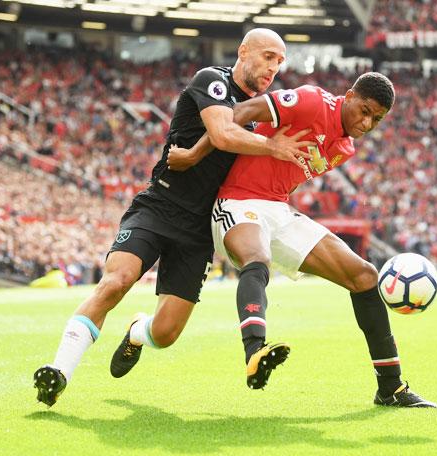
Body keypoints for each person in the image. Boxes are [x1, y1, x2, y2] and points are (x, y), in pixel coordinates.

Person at [33, 28, 311, 407]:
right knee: (117, 281)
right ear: (243, 51)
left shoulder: (261, 114)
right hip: (159, 206)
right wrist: (272, 147)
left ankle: (135, 332)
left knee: (164, 334)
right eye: (267, 56)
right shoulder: (212, 80)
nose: (273, 67)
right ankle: (59, 371)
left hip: (200, 230)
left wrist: (202, 154)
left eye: (280, 62)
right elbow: (223, 131)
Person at [164, 73, 437, 407]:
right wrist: (194, 154)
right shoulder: (311, 101)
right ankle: (255, 351)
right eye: (364, 111)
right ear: (349, 95)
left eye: (376, 119)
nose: (366, 123)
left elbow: (290, 176)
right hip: (237, 201)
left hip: (279, 210)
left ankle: (390, 388)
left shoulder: (345, 147)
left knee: (364, 276)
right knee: (257, 258)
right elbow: (239, 113)